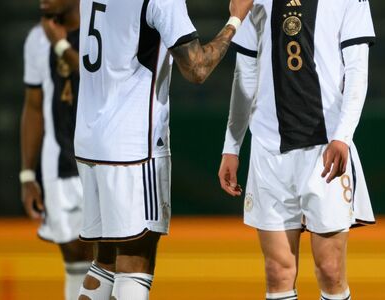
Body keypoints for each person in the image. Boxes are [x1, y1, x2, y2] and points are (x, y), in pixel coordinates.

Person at [72, 0, 252, 298]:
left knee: (103, 264)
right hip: (132, 146)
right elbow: (197, 68)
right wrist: (235, 21)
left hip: (90, 139)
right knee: (134, 265)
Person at [217, 1, 376, 299]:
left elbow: (357, 69)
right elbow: (245, 74)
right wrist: (232, 146)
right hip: (268, 148)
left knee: (330, 270)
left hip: (324, 148)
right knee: (278, 271)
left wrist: (342, 136)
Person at [20, 0, 93, 298]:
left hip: (104, 161)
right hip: (58, 164)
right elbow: (34, 106)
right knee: (75, 258)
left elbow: (99, 81)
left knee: (111, 256)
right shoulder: (37, 39)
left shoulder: (99, 24)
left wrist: (62, 47)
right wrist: (27, 175)